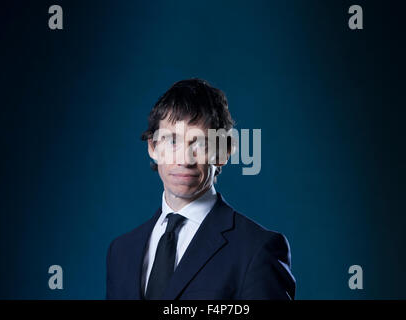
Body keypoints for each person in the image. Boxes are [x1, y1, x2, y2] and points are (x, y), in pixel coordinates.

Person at [106, 78, 296, 300]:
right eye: (172, 141)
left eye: (201, 144)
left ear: (224, 152)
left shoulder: (257, 250)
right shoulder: (121, 252)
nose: (185, 159)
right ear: (153, 147)